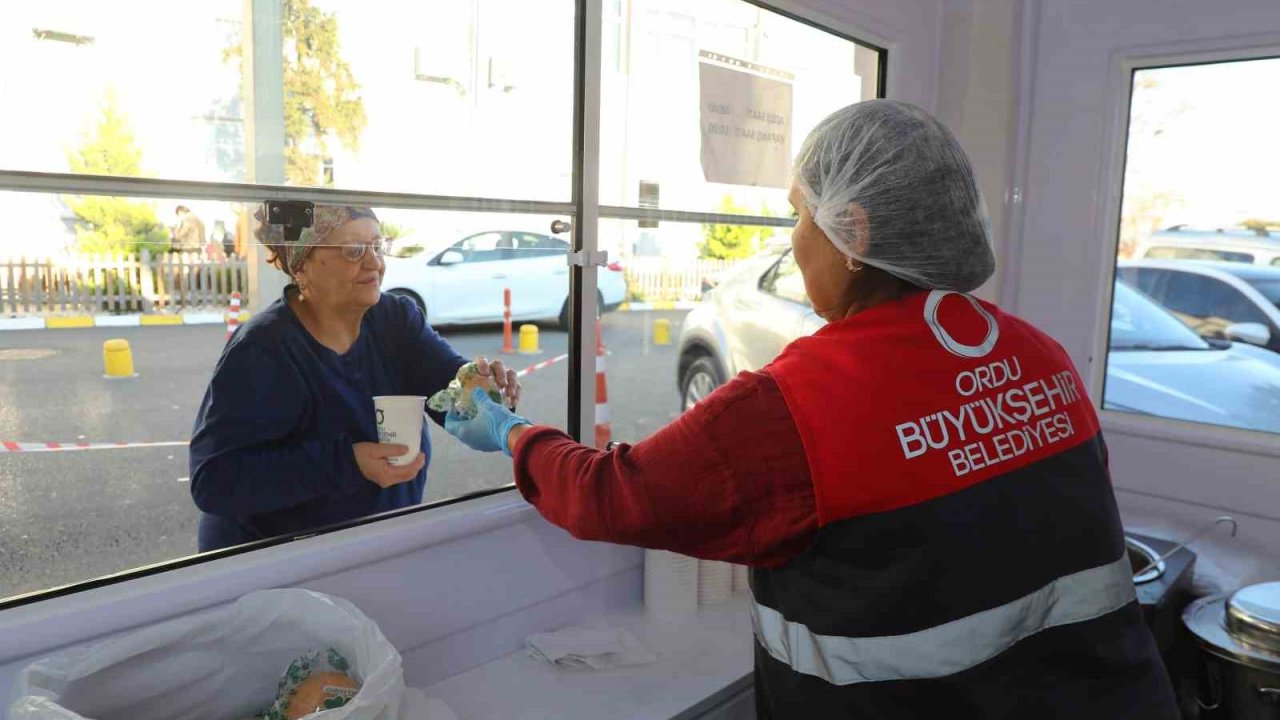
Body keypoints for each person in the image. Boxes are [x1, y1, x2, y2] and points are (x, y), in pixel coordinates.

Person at [444, 100, 1179, 718]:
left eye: (799, 216)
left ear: (853, 234)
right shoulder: (1038, 354)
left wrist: (510, 431)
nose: (793, 243)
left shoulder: (798, 404)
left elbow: (612, 495)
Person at [188, 203, 520, 552]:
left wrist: (482, 390)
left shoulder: (395, 319)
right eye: (353, 250)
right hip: (279, 559)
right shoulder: (263, 349)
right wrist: (347, 463)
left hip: (377, 542)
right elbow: (214, 481)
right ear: (303, 266)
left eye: (378, 246)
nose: (375, 263)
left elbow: (453, 401)